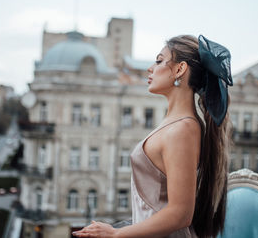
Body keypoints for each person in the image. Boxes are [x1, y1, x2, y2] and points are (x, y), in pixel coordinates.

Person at [73, 35, 233, 238]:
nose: (151, 68)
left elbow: (181, 213)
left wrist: (115, 234)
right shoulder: (176, 125)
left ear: (179, 69)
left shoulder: (183, 129)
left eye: (158, 61)